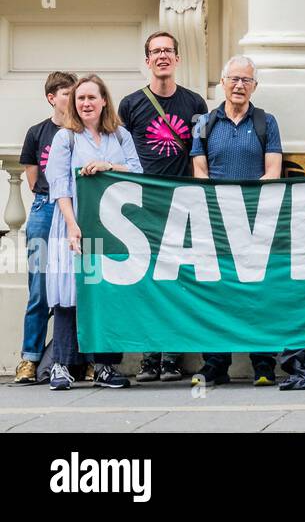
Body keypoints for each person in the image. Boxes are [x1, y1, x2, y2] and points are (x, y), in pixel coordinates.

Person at [117, 30, 209, 383]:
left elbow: (200, 150)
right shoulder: (130, 104)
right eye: (155, 51)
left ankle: (171, 356)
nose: (162, 56)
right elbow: (121, 151)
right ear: (147, 60)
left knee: (176, 279)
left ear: (177, 58)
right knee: (145, 279)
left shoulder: (195, 103)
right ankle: (148, 356)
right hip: (143, 203)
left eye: (168, 50)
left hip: (182, 202)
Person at [190, 56, 284, 387]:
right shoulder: (202, 122)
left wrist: (249, 204)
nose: (240, 85)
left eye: (246, 80)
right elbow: (199, 171)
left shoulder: (266, 122)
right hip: (215, 219)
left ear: (254, 86)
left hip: (255, 221)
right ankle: (215, 364)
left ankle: (263, 364)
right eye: (234, 79)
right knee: (215, 292)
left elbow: (273, 171)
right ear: (223, 84)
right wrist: (218, 206)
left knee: (258, 292)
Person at [44, 75, 143, 390]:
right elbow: (59, 185)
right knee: (68, 293)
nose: (85, 103)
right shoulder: (66, 138)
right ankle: (61, 364)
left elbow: (138, 171)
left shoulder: (120, 136)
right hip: (73, 224)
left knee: (106, 295)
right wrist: (72, 226)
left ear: (104, 101)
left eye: (91, 98)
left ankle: (106, 367)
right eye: (80, 98)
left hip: (113, 228)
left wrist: (107, 166)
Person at [14, 71, 76, 384]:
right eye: (66, 94)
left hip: (76, 212)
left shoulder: (82, 132)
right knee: (39, 286)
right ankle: (30, 357)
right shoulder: (37, 132)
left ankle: (82, 358)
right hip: (44, 210)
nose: (73, 99)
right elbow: (33, 176)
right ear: (52, 97)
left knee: (80, 284)